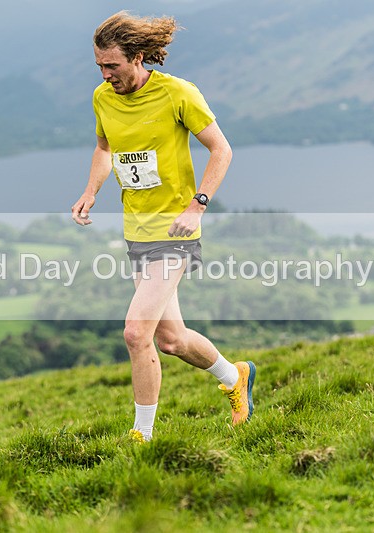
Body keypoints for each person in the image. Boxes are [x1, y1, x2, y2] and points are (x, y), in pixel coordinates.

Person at [71, 11, 255, 442]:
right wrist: (91, 190)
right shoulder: (103, 97)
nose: (105, 74)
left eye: (112, 65)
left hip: (176, 232)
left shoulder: (177, 93)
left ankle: (142, 436)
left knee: (136, 332)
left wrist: (197, 206)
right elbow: (105, 147)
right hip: (136, 231)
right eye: (99, 65)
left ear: (137, 58)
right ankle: (235, 377)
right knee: (171, 340)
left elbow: (222, 150)